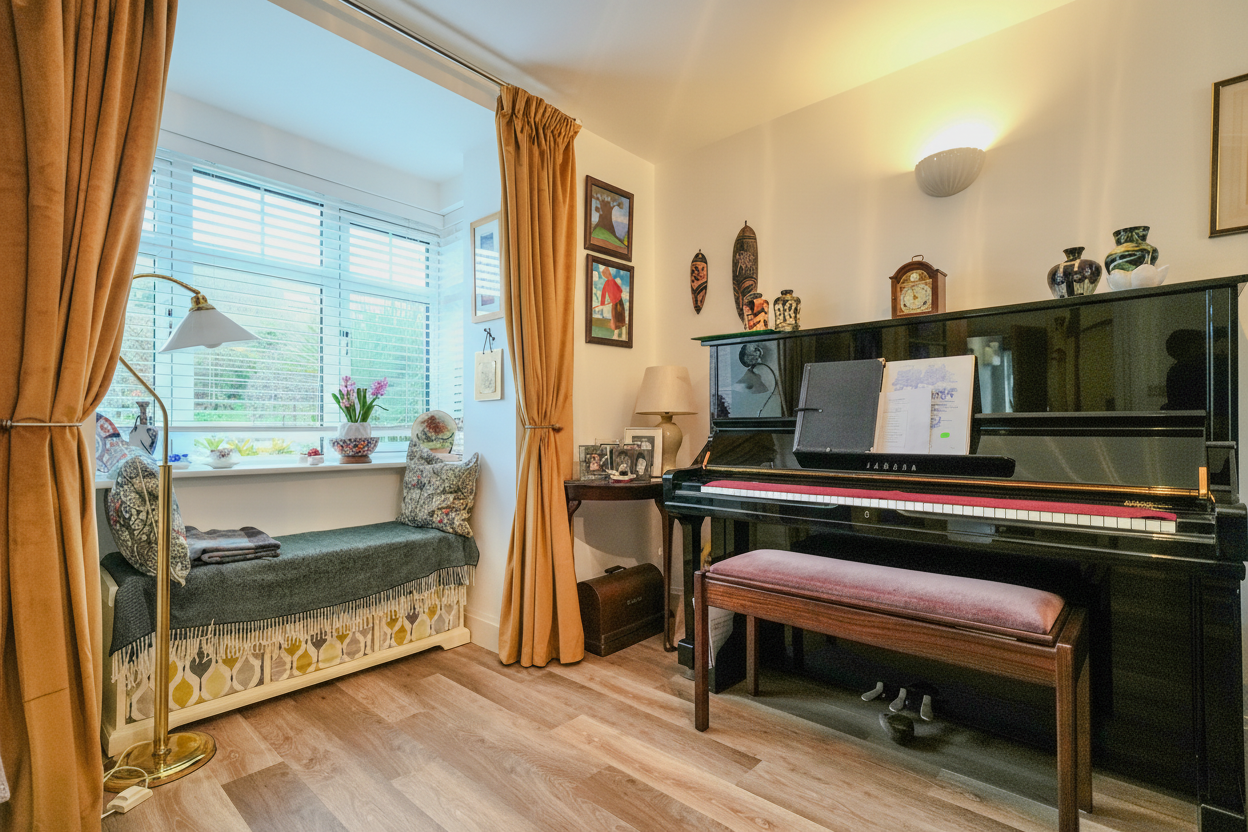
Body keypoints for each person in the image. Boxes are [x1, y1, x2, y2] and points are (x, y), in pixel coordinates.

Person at [599, 266, 627, 337]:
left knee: (615, 318)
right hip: (619, 301)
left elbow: (603, 294)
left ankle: (617, 335)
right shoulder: (613, 281)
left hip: (615, 303)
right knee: (620, 317)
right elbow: (620, 290)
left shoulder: (607, 283)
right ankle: (622, 335)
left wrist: (602, 303)